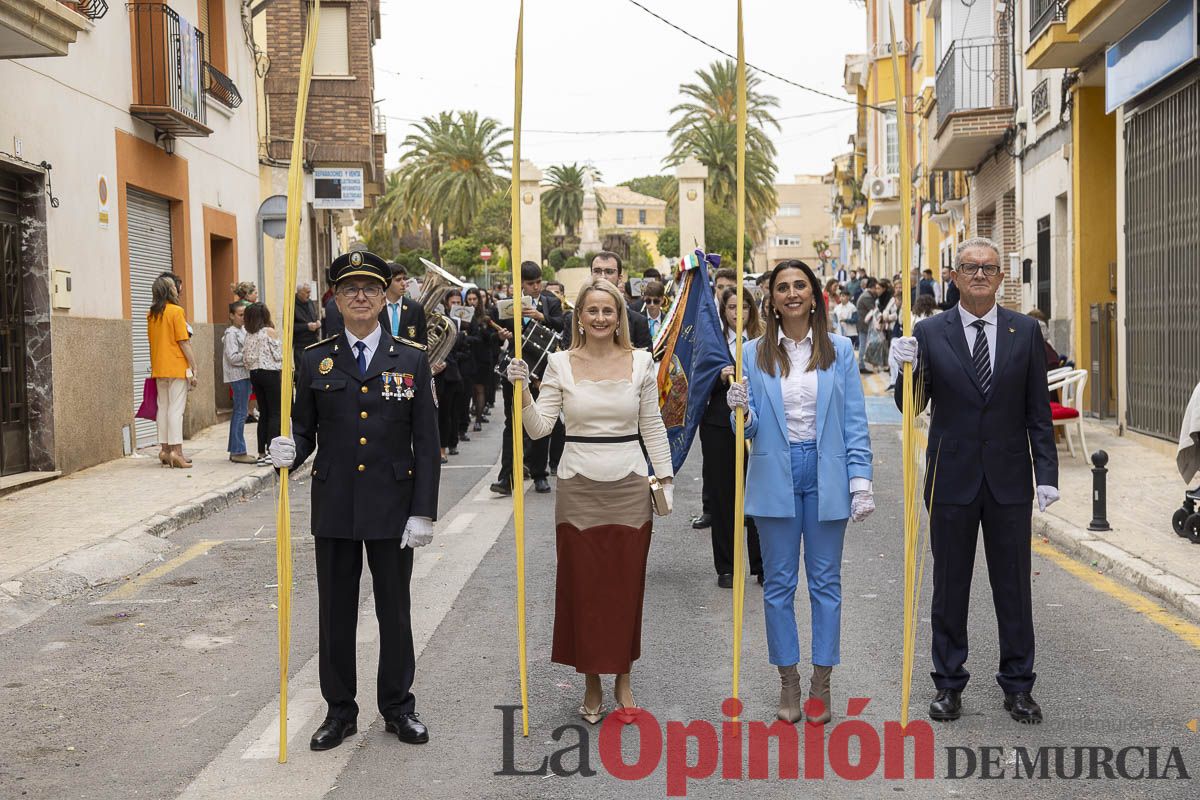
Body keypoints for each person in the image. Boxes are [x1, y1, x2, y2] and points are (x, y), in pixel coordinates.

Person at [267, 249, 440, 751]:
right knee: (336, 614)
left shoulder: (409, 358)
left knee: (395, 611)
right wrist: (287, 451)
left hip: (393, 506)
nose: (360, 296)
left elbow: (426, 443)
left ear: (385, 295)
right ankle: (339, 711)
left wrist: (423, 511)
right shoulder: (314, 358)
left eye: (369, 288)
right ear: (336, 299)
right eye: (349, 289)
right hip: (337, 504)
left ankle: (398, 707)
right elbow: (303, 431)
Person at [892, 237, 1058, 725]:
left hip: (1009, 478)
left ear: (1001, 277)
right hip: (951, 476)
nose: (980, 274)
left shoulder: (1024, 331)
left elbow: (1038, 413)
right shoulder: (927, 332)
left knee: (1013, 588)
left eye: (988, 268)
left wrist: (1045, 473)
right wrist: (904, 370)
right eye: (970, 267)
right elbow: (911, 405)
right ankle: (948, 684)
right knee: (949, 586)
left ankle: (1019, 686)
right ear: (955, 276)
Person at [505, 277, 674, 725]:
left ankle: (622, 677)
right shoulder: (560, 364)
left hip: (631, 485)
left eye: (609, 311)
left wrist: (666, 478)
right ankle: (592, 681)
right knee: (584, 589)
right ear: (578, 316)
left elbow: (653, 427)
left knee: (624, 587)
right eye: (592, 310)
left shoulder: (641, 361)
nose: (600, 318)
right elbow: (539, 428)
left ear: (620, 316)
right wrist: (521, 388)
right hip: (577, 485)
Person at [726, 259, 874, 725]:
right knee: (779, 586)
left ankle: (820, 683)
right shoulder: (750, 354)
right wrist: (740, 413)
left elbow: (854, 421)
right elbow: (745, 431)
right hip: (775, 473)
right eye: (783, 287)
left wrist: (860, 480)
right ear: (770, 299)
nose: (792, 293)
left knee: (826, 585)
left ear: (814, 296)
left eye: (800, 286)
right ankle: (788, 680)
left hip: (826, 473)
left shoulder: (841, 350)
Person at [704, 286, 764, 588]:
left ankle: (762, 563)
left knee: (757, 493)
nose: (737, 313)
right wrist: (718, 375)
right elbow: (696, 381)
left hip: (757, 425)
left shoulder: (762, 341)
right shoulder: (713, 343)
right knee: (724, 494)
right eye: (731, 307)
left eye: (743, 307)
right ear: (722, 311)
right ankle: (726, 566)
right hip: (718, 425)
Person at [489, 261, 564, 496]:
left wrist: (543, 317)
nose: (536, 287)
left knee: (540, 424)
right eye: (531, 283)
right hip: (515, 372)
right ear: (520, 283)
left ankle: (540, 474)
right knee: (512, 424)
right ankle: (507, 477)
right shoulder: (509, 305)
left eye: (538, 282)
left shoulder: (550, 301)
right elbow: (492, 326)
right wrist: (500, 333)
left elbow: (563, 324)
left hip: (542, 372)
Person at [147, 274, 198, 468]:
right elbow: (183, 342)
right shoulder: (176, 311)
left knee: (164, 408)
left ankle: (165, 450)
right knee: (176, 410)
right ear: (170, 291)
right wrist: (194, 367)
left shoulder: (151, 314)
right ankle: (177, 452)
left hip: (159, 366)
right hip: (177, 366)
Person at [564, 252, 652, 349]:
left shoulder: (638, 322)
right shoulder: (572, 320)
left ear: (620, 278)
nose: (602, 276)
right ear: (591, 274)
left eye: (609, 272)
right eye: (597, 271)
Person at [243, 303, 283, 465]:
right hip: (270, 373)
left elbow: (246, 359)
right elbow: (278, 355)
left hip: (255, 374)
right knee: (275, 412)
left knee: (264, 412)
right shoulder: (269, 332)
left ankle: (261, 451)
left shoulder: (249, 335)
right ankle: (271, 451)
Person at [222, 302, 256, 464]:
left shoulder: (243, 331)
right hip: (238, 376)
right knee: (240, 412)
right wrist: (248, 355)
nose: (243, 318)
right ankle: (238, 451)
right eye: (240, 315)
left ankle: (235, 448)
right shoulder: (231, 333)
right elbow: (232, 356)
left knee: (240, 412)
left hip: (245, 374)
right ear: (231, 316)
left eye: (245, 315)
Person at [464, 287, 497, 432]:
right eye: (469, 299)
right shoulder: (463, 314)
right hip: (468, 356)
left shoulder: (486, 316)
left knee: (480, 389)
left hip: (482, 357)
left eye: (474, 299)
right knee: (468, 390)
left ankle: (478, 419)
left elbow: (492, 338)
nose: (472, 302)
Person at [855, 277, 877, 371]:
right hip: (863, 325)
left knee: (863, 344)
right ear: (871, 287)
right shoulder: (867, 297)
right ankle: (861, 365)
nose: (876, 290)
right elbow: (874, 310)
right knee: (863, 345)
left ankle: (862, 364)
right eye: (876, 288)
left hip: (863, 324)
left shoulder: (866, 295)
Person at [294, 284, 322, 358]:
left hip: (314, 342)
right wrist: (306, 327)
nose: (309, 295)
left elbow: (315, 316)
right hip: (301, 346)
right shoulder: (291, 305)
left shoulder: (310, 302)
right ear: (299, 293)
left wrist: (318, 321)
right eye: (307, 292)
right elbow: (288, 327)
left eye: (310, 292)